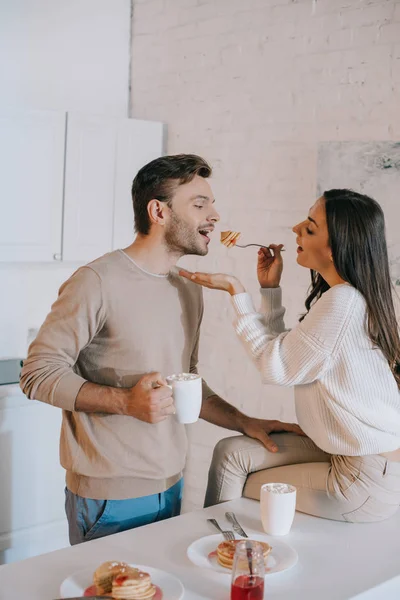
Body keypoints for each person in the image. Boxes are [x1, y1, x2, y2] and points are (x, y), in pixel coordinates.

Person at [20, 154, 302, 545]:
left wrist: (244, 422)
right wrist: (125, 402)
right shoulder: (96, 281)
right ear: (159, 211)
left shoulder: (187, 288)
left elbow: (186, 384)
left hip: (171, 484)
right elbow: (37, 373)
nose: (215, 215)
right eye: (200, 204)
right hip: (108, 496)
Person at [180, 189, 400, 523]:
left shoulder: (343, 302)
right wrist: (270, 290)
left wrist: (236, 292)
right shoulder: (350, 298)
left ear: (335, 247)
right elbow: (286, 354)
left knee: (243, 476)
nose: (296, 228)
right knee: (231, 451)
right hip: (352, 454)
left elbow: (275, 366)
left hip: (362, 477)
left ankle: (221, 553)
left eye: (310, 227)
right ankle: (221, 549)